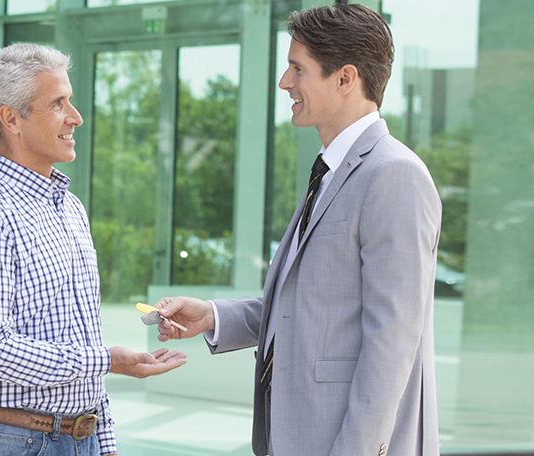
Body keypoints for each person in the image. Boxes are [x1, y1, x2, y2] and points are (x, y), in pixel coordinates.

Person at [153, 5, 441, 456]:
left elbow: (393, 339)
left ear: (345, 79)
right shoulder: (330, 172)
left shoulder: (393, 175)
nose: (285, 82)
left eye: (297, 69)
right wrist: (212, 315)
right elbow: (307, 306)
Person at [0, 43, 186, 456]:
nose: (76, 117)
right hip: (9, 442)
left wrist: (104, 444)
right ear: (10, 118)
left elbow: (82, 332)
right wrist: (106, 360)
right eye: (58, 103)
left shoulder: (69, 208)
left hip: (77, 437)